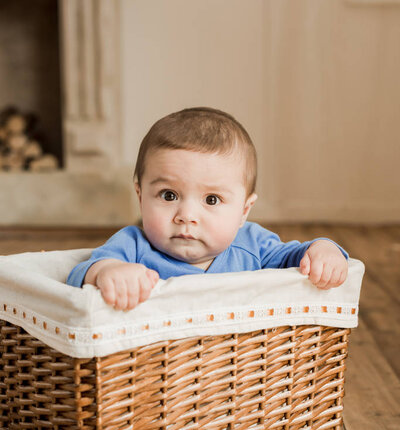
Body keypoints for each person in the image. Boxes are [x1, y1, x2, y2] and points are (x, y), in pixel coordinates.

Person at [67, 107, 349, 311]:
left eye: (211, 200)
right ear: (140, 195)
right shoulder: (134, 247)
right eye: (168, 195)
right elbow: (82, 273)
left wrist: (323, 249)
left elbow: (297, 256)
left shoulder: (252, 245)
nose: (186, 216)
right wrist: (109, 271)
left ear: (244, 210)